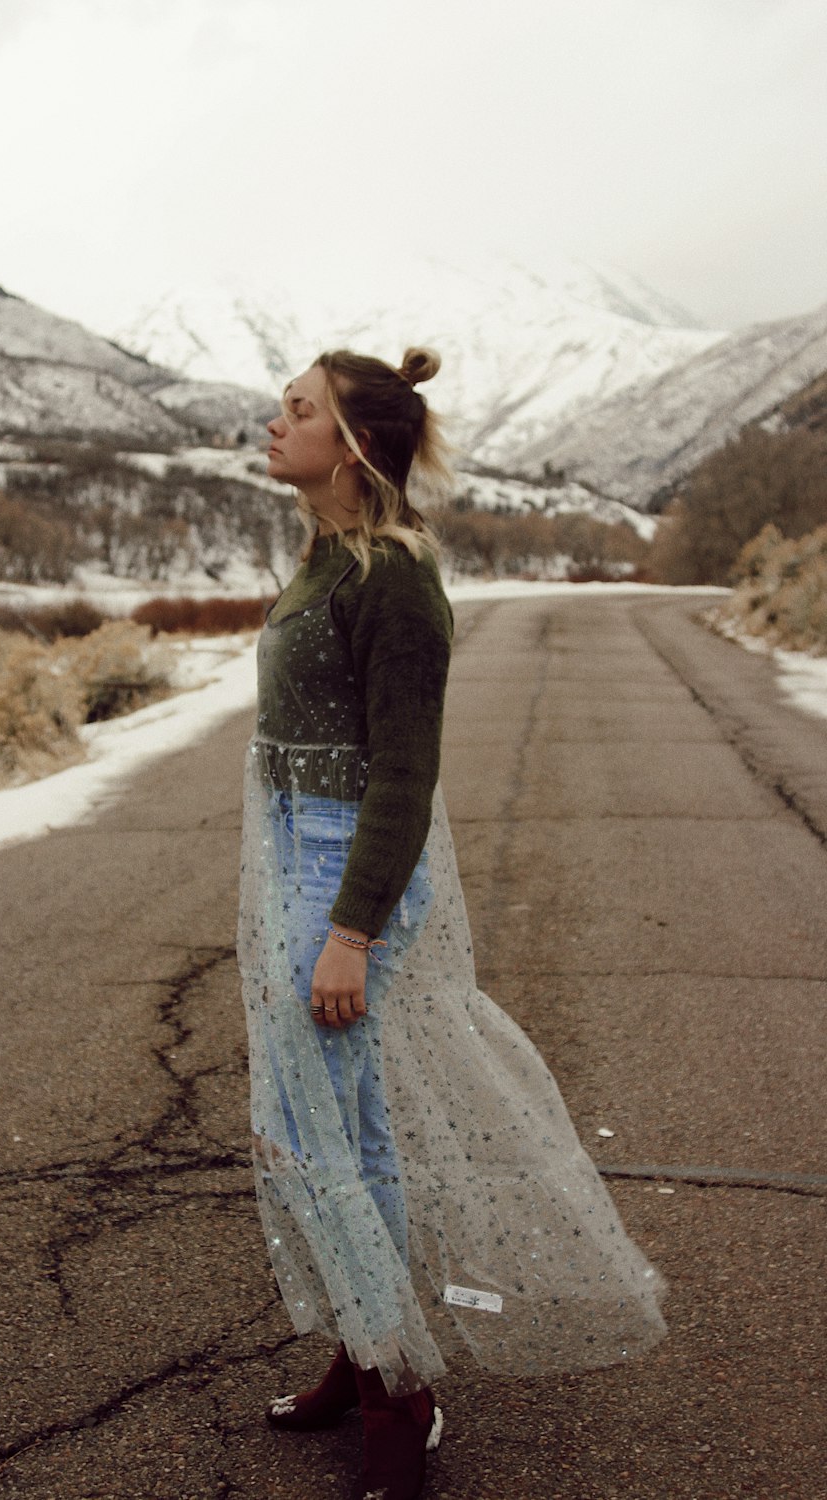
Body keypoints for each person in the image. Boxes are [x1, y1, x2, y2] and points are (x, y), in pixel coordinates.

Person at [237, 347, 667, 1500]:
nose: (272, 425)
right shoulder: (328, 554)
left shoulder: (394, 580)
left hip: (339, 876)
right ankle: (364, 1347)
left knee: (340, 1137)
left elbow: (403, 774)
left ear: (354, 444)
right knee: (314, 1130)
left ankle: (402, 1396)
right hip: (291, 861)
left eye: (297, 412)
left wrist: (351, 932)